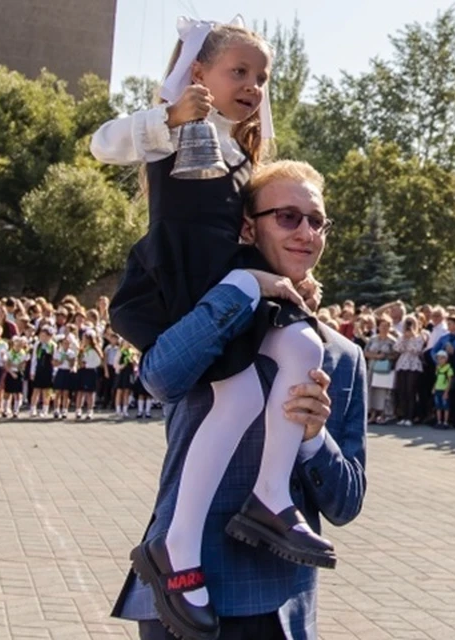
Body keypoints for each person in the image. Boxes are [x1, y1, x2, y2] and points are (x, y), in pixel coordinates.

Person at [92, 19, 341, 638]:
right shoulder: (175, 129)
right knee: (241, 391)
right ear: (198, 74)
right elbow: (102, 143)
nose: (254, 86)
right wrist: (171, 109)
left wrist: (282, 282)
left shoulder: (236, 153)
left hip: (224, 279)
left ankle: (270, 497)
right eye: (240, 72)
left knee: (304, 342)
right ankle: (177, 546)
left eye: (261, 77)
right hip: (190, 289)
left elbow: (249, 234)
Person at [111, 160, 366, 640]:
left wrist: (314, 437)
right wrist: (245, 287)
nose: (305, 231)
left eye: (317, 220)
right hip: (183, 593)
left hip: (278, 603)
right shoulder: (209, 313)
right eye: (288, 216)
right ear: (249, 226)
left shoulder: (342, 354)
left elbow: (347, 502)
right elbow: (160, 378)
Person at [392, 316, 425, 426]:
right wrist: (404, 338)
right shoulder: (402, 337)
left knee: (410, 391)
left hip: (413, 365)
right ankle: (403, 416)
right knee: (402, 391)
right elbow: (397, 348)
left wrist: (411, 337)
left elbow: (416, 350)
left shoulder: (420, 337)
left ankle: (410, 417)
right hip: (402, 364)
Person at [431, 350, 453, 429]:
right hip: (437, 389)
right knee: (438, 406)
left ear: (446, 359)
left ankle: (445, 422)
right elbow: (436, 379)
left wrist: (446, 392)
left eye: (441, 358)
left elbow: (450, 381)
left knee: (445, 406)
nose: (439, 360)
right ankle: (439, 421)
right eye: (438, 359)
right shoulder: (438, 368)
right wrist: (434, 388)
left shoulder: (449, 368)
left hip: (444, 390)